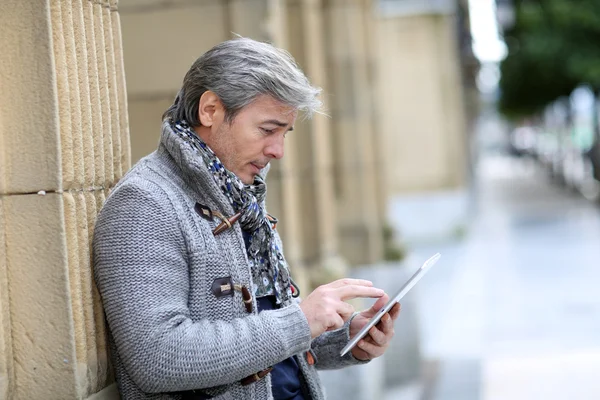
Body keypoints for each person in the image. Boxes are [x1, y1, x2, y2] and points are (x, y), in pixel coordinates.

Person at [92, 37, 401, 400]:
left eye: (284, 133)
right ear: (210, 110)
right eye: (267, 130)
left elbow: (268, 342)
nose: (278, 151)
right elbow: (158, 358)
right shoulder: (143, 202)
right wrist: (300, 321)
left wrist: (344, 339)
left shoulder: (242, 194)